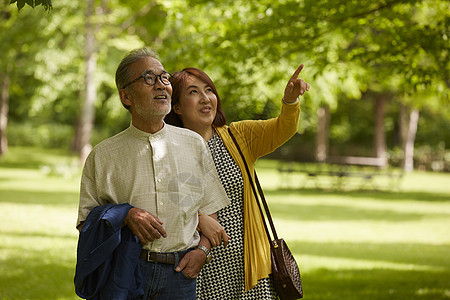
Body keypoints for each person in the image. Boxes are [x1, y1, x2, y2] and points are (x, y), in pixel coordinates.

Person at [76, 47, 230, 300]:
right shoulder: (103, 155)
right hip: (124, 273)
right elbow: (85, 223)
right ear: (126, 96)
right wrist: (125, 214)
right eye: (148, 78)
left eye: (164, 77)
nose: (161, 85)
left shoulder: (193, 144)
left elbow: (208, 207)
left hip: (180, 275)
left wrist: (201, 251)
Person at [165, 64, 309, 299]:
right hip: (201, 265)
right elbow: (163, 201)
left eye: (209, 90)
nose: (205, 98)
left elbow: (283, 127)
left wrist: (290, 101)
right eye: (193, 92)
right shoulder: (168, 151)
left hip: (248, 267)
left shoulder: (238, 135)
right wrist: (200, 219)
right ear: (177, 106)